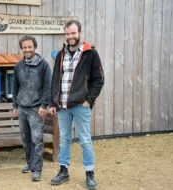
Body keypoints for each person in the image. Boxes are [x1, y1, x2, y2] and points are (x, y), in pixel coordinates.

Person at [49, 20, 104, 190]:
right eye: (67, 34)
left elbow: (99, 79)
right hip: (63, 107)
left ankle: (89, 173)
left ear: (80, 33)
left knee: (85, 140)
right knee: (64, 140)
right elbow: (55, 79)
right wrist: (53, 102)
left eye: (73, 33)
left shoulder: (90, 53)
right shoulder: (61, 54)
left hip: (81, 105)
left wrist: (89, 100)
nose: (70, 37)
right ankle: (64, 170)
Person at [12, 35, 52, 181]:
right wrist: (15, 105)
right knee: (26, 139)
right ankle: (30, 164)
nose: (27, 49)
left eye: (30, 47)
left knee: (37, 139)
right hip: (22, 108)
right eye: (24, 47)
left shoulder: (44, 65)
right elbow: (15, 87)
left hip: (36, 109)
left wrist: (44, 105)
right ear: (21, 49)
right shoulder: (18, 66)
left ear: (35, 47)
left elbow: (48, 86)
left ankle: (37, 169)